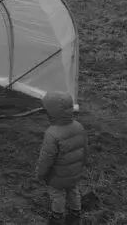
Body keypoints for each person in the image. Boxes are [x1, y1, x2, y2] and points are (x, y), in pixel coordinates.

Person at [35, 91, 88, 225]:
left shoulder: (52, 134)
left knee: (57, 195)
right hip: (75, 172)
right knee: (73, 190)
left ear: (51, 113)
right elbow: (85, 149)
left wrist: (40, 174)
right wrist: (81, 166)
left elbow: (46, 158)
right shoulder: (79, 126)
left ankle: (57, 217)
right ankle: (75, 213)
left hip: (57, 176)